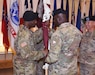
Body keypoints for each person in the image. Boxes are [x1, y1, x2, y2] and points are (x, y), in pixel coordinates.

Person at [45, 9, 82, 75]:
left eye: (54, 19)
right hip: (72, 69)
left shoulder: (58, 34)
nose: (53, 21)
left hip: (59, 71)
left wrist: (45, 58)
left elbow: (53, 57)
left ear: (58, 19)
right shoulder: (77, 31)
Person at [13, 10, 48, 75]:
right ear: (30, 21)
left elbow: (34, 39)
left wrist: (44, 29)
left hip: (26, 67)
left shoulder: (25, 31)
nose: (36, 22)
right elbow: (27, 54)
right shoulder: (24, 35)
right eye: (34, 20)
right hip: (25, 69)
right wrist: (43, 53)